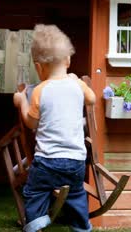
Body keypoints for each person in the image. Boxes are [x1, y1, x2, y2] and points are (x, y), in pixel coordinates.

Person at [13, 24, 96, 232]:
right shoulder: (77, 85)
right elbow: (92, 99)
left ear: (39, 67)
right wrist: (79, 81)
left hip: (47, 161)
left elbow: (31, 123)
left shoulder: (40, 90)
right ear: (68, 60)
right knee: (76, 193)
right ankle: (80, 225)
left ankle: (37, 222)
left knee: (35, 190)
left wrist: (22, 101)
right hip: (76, 161)